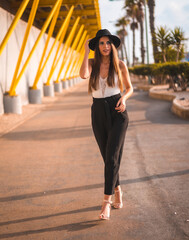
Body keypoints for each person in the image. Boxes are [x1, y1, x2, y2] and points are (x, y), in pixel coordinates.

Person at [79, 29, 133, 220]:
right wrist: (86, 50)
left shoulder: (119, 64)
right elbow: (83, 75)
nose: (105, 46)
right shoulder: (92, 64)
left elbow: (129, 88)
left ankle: (106, 203)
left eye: (108, 43)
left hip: (117, 111)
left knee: (111, 157)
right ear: (97, 46)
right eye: (101, 43)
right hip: (98, 113)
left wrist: (124, 99)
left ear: (112, 45)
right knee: (107, 157)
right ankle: (117, 190)